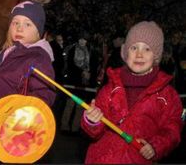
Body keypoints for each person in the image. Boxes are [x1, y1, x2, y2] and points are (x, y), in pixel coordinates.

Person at [82, 21, 183, 164]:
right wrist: (92, 121)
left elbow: (172, 129)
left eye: (147, 49)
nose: (139, 54)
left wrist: (155, 146)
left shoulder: (166, 95)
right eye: (134, 47)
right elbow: (94, 131)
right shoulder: (110, 88)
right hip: (101, 159)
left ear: (156, 56)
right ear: (125, 53)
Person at [0, 1, 55, 153]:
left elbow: (43, 97)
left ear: (38, 32)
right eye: (15, 22)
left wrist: (9, 107)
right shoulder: (7, 52)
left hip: (14, 131)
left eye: (28, 24)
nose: (19, 28)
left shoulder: (38, 58)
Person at [61, 36, 91, 133]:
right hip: (73, 81)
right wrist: (81, 72)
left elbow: (90, 65)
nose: (82, 41)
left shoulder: (89, 50)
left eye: (84, 39)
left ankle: (75, 127)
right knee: (70, 104)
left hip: (83, 83)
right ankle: (64, 126)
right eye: (81, 39)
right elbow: (69, 65)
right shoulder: (72, 49)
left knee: (80, 106)